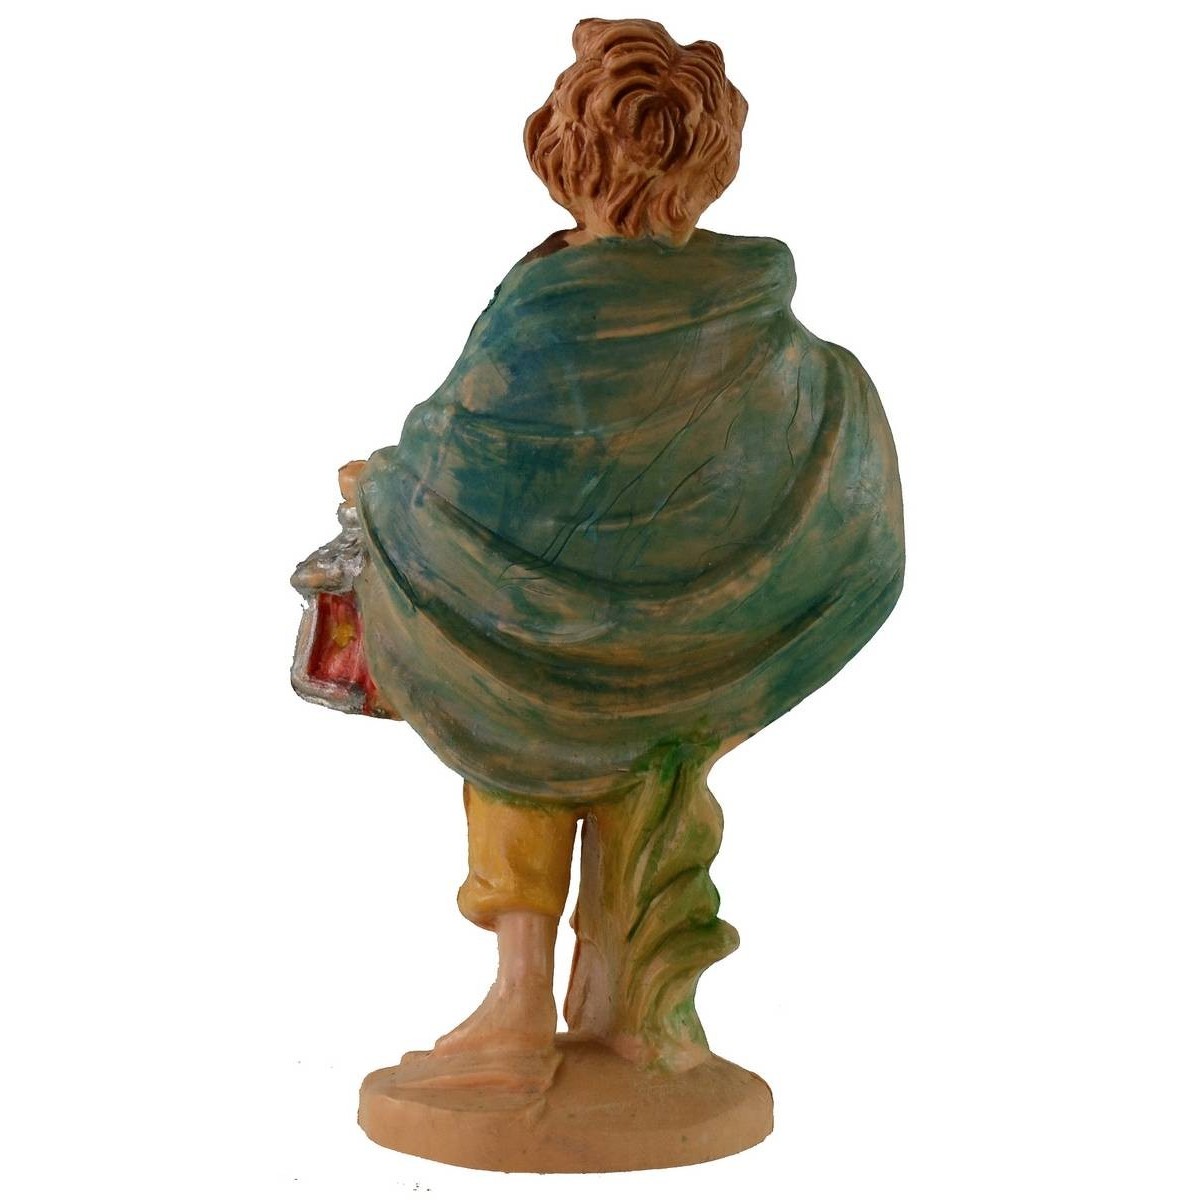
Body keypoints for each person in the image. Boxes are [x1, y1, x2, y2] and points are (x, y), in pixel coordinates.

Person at [330, 18, 904, 1089]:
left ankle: (519, 1004)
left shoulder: (550, 310)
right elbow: (831, 436)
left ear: (561, 155)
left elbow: (465, 455)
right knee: (654, 780)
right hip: (697, 655)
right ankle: (640, 1014)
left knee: (510, 745)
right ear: (711, 164)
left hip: (537, 645)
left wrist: (382, 485)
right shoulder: (761, 322)